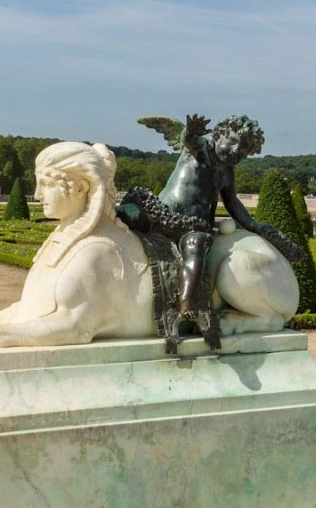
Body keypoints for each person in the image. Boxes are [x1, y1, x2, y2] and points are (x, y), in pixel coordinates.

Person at [117, 114, 303, 349]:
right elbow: (189, 139)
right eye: (233, 142)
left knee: (195, 252)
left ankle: (185, 302)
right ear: (218, 134)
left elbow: (233, 203)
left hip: (192, 226)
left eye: (244, 151)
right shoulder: (199, 150)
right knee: (122, 213)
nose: (237, 151)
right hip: (161, 211)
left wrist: (256, 227)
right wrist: (192, 131)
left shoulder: (226, 173)